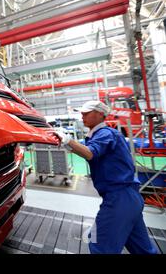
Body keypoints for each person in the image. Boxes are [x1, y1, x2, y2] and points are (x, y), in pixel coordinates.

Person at [55, 100, 158, 254]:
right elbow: (88, 149)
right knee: (143, 250)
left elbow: (90, 153)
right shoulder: (101, 135)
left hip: (119, 199)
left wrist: (68, 140)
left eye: (86, 113)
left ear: (99, 114)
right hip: (131, 199)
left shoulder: (106, 133)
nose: (82, 116)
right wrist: (68, 143)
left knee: (99, 244)